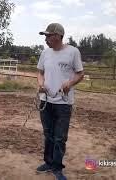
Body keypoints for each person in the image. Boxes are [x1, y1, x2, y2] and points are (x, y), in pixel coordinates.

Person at [36, 23, 84, 180]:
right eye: (45, 36)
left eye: (48, 36)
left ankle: (57, 167)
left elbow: (80, 74)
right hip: (46, 100)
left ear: (58, 36)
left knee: (59, 137)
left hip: (63, 103)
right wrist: (41, 84)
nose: (46, 39)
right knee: (48, 134)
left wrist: (70, 83)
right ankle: (48, 163)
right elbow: (40, 72)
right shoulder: (45, 53)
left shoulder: (73, 52)